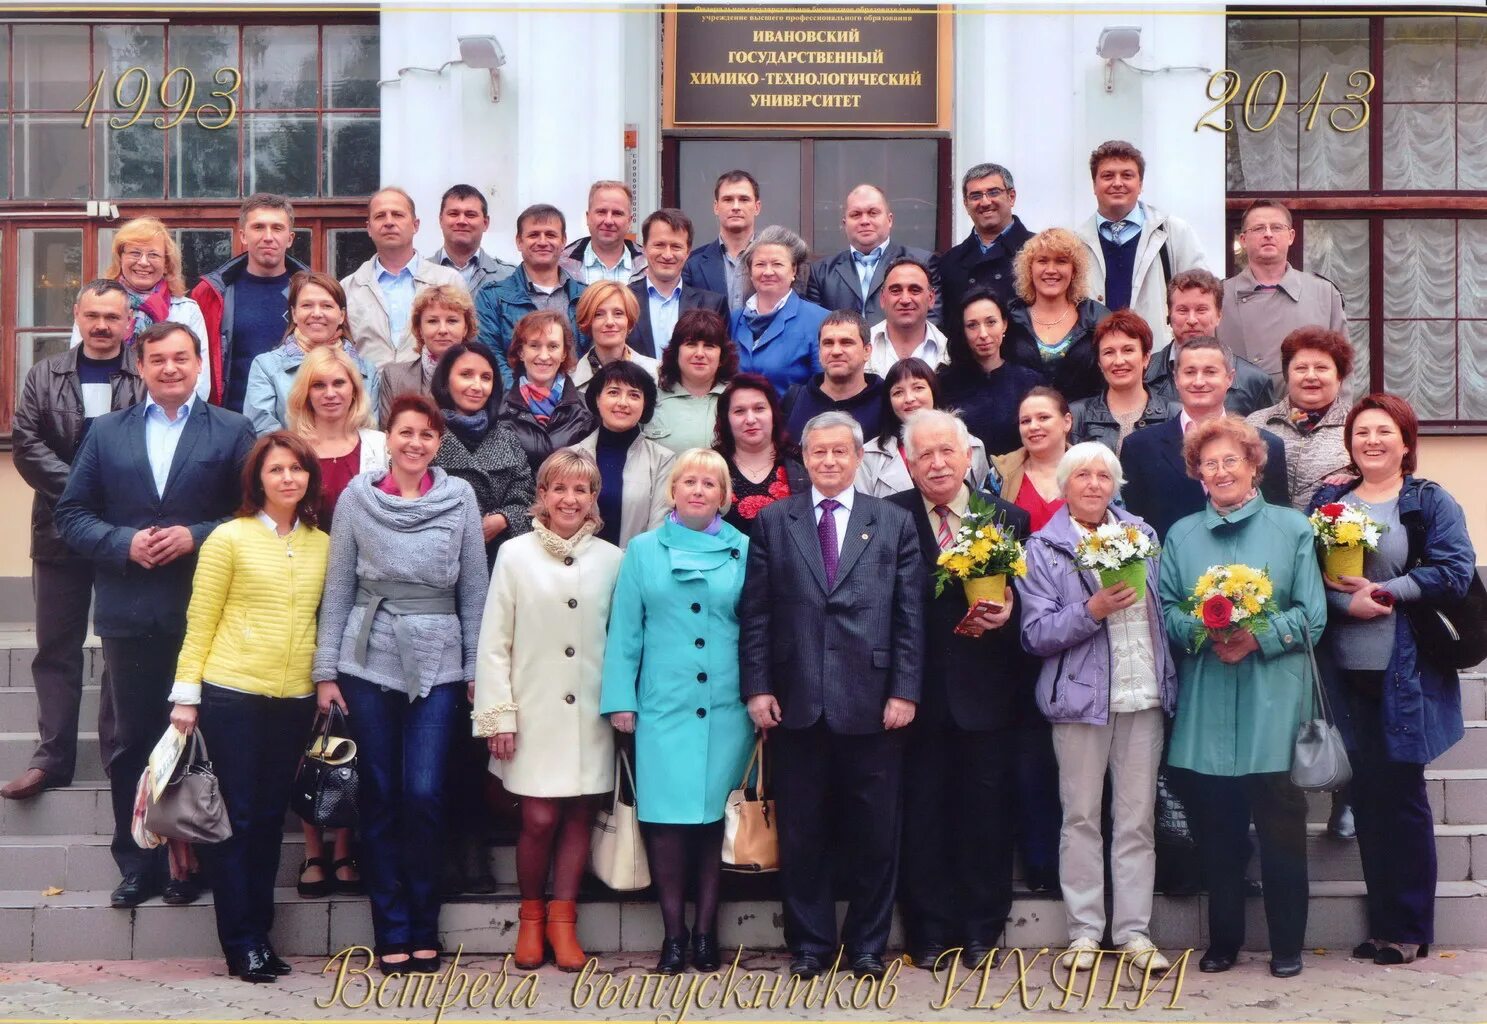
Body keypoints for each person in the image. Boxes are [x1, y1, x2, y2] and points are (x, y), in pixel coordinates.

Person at [54, 321, 256, 909]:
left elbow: (252, 512)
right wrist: (123, 543)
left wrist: (195, 535)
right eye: (158, 360)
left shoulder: (232, 429)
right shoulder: (108, 432)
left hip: (209, 610)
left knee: (207, 740)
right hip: (130, 609)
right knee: (134, 740)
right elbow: (72, 512)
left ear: (200, 366)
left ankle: (201, 860)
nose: (170, 369)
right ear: (140, 368)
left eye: (181, 359)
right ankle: (138, 862)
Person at [739, 411, 924, 979]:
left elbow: (910, 616)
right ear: (804, 458)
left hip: (874, 703)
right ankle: (811, 945)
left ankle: (868, 943)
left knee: (874, 833)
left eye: (839, 452)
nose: (828, 461)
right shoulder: (775, 521)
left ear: (857, 456)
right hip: (797, 702)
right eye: (817, 453)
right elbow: (756, 614)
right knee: (803, 831)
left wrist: (905, 691)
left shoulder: (891, 522)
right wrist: (758, 687)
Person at [312, 393, 488, 974]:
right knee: (382, 796)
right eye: (405, 432)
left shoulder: (460, 496)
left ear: (440, 443)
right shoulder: (358, 499)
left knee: (425, 792)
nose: (415, 443)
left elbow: (473, 589)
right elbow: (338, 585)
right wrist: (326, 671)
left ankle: (423, 920)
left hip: (438, 662)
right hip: (368, 660)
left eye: (427, 435)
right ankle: (391, 928)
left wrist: (475, 670)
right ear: (387, 437)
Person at [1309, 394, 1475, 967]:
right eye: (1361, 432)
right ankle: (1382, 925)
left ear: (1406, 442)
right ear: (1349, 442)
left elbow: (1455, 570)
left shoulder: (1428, 500)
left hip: (1407, 672)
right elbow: (1309, 575)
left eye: (1384, 431)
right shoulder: (1329, 501)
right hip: (1346, 669)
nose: (1371, 440)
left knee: (1402, 797)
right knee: (1370, 797)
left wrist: (1388, 592)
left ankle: (1408, 928)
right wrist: (1343, 604)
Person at [1160, 416, 1325, 979]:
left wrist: (1256, 635)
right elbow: (1166, 612)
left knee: (1281, 830)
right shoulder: (1180, 535)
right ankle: (1224, 942)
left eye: (1232, 460)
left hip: (1273, 702)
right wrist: (1205, 631)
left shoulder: (1293, 529)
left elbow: (1313, 616)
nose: (1221, 471)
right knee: (1218, 835)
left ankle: (1287, 947)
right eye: (1210, 463)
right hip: (1208, 701)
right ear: (1197, 474)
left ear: (1255, 465)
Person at [165, 432, 329, 983]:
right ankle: (241, 942)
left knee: (266, 822)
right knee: (234, 822)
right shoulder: (228, 539)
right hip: (232, 694)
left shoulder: (320, 544)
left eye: (297, 469)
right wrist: (186, 695)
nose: (288, 478)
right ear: (257, 479)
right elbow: (201, 619)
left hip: (293, 699)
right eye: (276, 469)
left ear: (309, 477)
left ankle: (260, 934)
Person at [1020, 442, 1176, 974]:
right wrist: (1090, 610)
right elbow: (1035, 634)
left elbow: (1161, 613)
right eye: (1081, 475)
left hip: (1142, 695)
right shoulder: (1043, 548)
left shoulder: (1142, 536)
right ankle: (1085, 931)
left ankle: (1134, 932)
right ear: (1064, 486)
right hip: (1080, 702)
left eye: (1102, 476)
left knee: (1136, 821)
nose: (1092, 484)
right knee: (1081, 818)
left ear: (1115, 484)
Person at [600, 449, 753, 974]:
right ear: (673, 490)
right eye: (688, 480)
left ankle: (707, 936)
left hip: (726, 708)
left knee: (713, 823)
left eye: (710, 483)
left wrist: (758, 696)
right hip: (662, 708)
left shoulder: (746, 550)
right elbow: (625, 631)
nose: (697, 490)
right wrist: (621, 700)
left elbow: (756, 631)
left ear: (724, 496)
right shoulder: (642, 551)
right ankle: (673, 936)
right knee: (665, 824)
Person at [472, 449, 624, 972]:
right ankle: (532, 917)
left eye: (580, 490)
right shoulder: (514, 554)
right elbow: (494, 642)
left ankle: (564, 922)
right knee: (538, 818)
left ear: (593, 500)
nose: (569, 499)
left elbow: (623, 643)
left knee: (581, 813)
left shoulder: (613, 559)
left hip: (591, 715)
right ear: (542, 495)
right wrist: (499, 716)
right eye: (558, 488)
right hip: (531, 712)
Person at [887, 409, 1027, 969]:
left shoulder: (1007, 517)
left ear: (969, 455)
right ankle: (928, 932)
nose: (938, 463)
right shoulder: (889, 518)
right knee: (921, 818)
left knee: (985, 817)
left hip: (987, 696)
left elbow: (1034, 605)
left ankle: (982, 931)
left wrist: (1009, 614)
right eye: (925, 454)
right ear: (908, 462)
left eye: (948, 451)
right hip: (913, 696)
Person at [4, 281, 144, 802]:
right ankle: (52, 758)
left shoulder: (144, 373)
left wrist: (112, 500)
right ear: (78, 318)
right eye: (93, 315)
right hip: (59, 529)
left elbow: (154, 439)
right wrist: (84, 491)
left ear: (129, 322)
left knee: (120, 646)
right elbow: (26, 446)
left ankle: (119, 755)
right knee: (56, 648)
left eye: (113, 316)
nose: (102, 325)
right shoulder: (45, 373)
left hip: (122, 532)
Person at [283, 343, 384, 898]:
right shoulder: (290, 448)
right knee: (308, 725)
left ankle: (345, 849)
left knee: (351, 721)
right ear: (305, 393)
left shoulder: (377, 447)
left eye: (339, 384)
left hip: (362, 599)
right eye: (319, 385)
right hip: (302, 593)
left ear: (353, 390)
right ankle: (312, 850)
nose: (330, 393)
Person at [1121, 337, 1289, 541]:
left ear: (1230, 378)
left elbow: (1279, 524)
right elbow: (1134, 529)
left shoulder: (1268, 445)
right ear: (1176, 378)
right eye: (1190, 372)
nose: (1199, 382)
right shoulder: (1139, 447)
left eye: (1210, 372)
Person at [1075, 140, 1208, 337]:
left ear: (1141, 185)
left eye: (1127, 175)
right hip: (1095, 360)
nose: (1117, 183)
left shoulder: (1174, 233)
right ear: (1094, 185)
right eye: (1108, 176)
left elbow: (1201, 298)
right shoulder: (1075, 243)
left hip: (1160, 358)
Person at [72, 217, 211, 403]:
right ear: (120, 258)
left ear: (166, 264)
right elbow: (78, 365)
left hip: (167, 414)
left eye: (153, 255)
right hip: (102, 410)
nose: (144, 262)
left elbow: (200, 380)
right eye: (135, 253)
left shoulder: (186, 311)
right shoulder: (96, 305)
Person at [192, 194, 310, 412]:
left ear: (290, 238)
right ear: (243, 235)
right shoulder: (211, 293)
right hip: (230, 423)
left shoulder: (314, 294)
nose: (268, 236)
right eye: (258, 227)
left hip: (297, 425)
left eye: (277, 228)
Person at [1219, 199, 1347, 387]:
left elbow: (1343, 366)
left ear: (1291, 236)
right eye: (1259, 228)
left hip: (1306, 411)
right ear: (1243, 240)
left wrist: (1340, 414)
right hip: (1238, 412)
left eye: (1277, 227)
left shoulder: (1323, 294)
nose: (1268, 234)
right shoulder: (1220, 295)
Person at [431, 341, 533, 565]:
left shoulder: (507, 438)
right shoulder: (427, 435)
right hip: (440, 561)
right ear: (446, 381)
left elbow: (528, 499)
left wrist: (503, 519)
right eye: (466, 375)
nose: (477, 386)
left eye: (486, 378)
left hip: (499, 561)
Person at [340, 187, 466, 369]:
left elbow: (465, 345)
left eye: (398, 215)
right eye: (380, 216)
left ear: (416, 225)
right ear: (369, 228)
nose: (389, 222)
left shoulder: (447, 281)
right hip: (368, 393)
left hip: (431, 392)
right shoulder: (348, 287)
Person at [243, 272, 380, 436]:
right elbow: (263, 432)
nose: (316, 313)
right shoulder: (266, 367)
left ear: (341, 315)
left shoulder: (367, 371)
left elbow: (369, 432)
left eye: (327, 306)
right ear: (294, 314)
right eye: (307, 305)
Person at [475, 204, 589, 389]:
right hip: (514, 408)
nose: (542, 242)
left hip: (575, 406)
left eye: (551, 235)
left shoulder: (584, 297)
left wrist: (572, 398)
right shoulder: (492, 297)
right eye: (533, 235)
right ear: (519, 241)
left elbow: (592, 355)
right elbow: (491, 356)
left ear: (563, 241)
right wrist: (525, 399)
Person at [1247, 326, 1356, 511]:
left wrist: (1358, 482)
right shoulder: (1254, 425)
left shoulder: (1358, 427)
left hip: (1334, 536)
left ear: (1339, 376)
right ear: (1287, 375)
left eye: (1321, 368)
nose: (1311, 376)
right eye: (1301, 368)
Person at [805, 184, 942, 326]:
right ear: (845, 224)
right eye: (856, 214)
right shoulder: (821, 272)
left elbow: (932, 321)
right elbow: (815, 327)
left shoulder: (921, 263)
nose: (864, 221)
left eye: (873, 213)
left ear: (890, 220)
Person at [573, 361, 675, 549]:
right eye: (613, 392)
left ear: (645, 404)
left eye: (634, 395)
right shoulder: (572, 456)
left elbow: (658, 530)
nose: (622, 403)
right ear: (597, 398)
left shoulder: (663, 460)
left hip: (635, 569)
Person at [1147, 269, 1274, 417]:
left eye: (1201, 310)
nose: (1192, 320)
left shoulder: (1254, 382)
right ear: (1169, 315)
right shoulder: (1145, 375)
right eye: (1182, 310)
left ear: (1219, 315)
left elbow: (1264, 438)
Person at [1003, 228, 1110, 403]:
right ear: (1030, 269)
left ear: (1074, 270)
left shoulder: (1098, 318)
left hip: (1085, 425)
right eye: (1042, 261)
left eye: (1061, 261)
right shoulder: (1009, 318)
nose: (1051, 270)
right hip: (1023, 424)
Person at [857, 359, 989, 499]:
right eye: (898, 392)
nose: (909, 398)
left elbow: (983, 505)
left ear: (933, 390)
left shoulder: (972, 446)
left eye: (918, 388)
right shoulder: (870, 456)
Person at [939, 288, 1046, 457]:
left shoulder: (1030, 382)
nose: (983, 334)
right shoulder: (945, 384)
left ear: (1004, 324)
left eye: (991, 322)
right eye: (972, 325)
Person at [729, 226, 829, 395]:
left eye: (777, 264)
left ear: (794, 270)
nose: (768, 272)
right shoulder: (734, 320)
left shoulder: (820, 320)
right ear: (751, 271)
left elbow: (825, 388)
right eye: (760, 264)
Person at [499, 311, 596, 475]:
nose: (544, 356)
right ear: (521, 352)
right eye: (534, 345)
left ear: (564, 353)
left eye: (553, 346)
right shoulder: (499, 410)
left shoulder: (587, 410)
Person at [938, 162, 1034, 328]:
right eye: (975, 196)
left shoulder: (1039, 253)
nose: (985, 202)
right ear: (966, 205)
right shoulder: (949, 262)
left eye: (993, 192)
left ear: (1011, 197)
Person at [1069, 310, 1175, 453]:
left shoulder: (1174, 413)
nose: (1119, 361)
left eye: (1128, 350)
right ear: (1099, 363)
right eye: (1109, 352)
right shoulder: (1077, 416)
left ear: (1146, 358)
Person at [714, 373, 808, 536]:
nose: (750, 419)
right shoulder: (712, 466)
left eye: (759, 408)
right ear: (727, 419)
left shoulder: (802, 462)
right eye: (739, 411)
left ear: (773, 414)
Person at [627, 209, 728, 358]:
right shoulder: (624, 300)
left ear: (688, 252)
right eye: (659, 245)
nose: (667, 255)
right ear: (645, 248)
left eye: (676, 246)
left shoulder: (713, 305)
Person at [374, 285, 477, 428]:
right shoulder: (394, 377)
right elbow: (388, 437)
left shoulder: (482, 377)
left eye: (452, 321)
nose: (442, 330)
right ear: (419, 329)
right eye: (432, 321)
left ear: (465, 328)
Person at [781, 310, 885, 442]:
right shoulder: (794, 401)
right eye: (828, 343)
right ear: (819, 352)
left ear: (867, 350)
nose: (836, 351)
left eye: (846, 342)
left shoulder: (886, 404)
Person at [646, 309, 737, 454]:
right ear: (676, 352)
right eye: (691, 344)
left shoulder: (737, 399)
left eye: (709, 346)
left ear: (722, 356)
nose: (700, 354)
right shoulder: (650, 398)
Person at [992, 386, 1071, 533]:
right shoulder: (999, 474)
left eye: (1043, 418)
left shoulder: (1094, 469)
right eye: (1025, 421)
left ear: (1067, 422)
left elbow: (1116, 532)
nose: (1033, 426)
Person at [684, 170, 761, 312]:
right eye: (728, 199)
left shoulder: (777, 261)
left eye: (744, 199)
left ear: (757, 207)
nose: (736, 207)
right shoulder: (692, 265)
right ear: (716, 207)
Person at [571, 281, 660, 392]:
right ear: (588, 322)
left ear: (629, 320)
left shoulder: (657, 373)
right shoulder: (570, 382)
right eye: (599, 314)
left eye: (618, 313)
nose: (609, 322)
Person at [866, 257, 948, 377]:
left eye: (915, 290)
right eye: (895, 290)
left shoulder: (949, 353)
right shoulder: (859, 347)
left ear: (931, 298)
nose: (905, 300)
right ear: (883, 299)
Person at [430, 183, 518, 293]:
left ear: (485, 223)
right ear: (441, 220)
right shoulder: (418, 274)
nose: (461, 221)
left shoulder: (510, 276)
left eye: (470, 215)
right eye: (453, 214)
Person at [560, 180, 647, 284]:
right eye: (601, 212)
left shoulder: (648, 263)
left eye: (617, 213)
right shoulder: (562, 264)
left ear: (629, 221)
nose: (608, 221)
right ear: (588, 217)